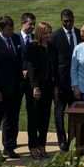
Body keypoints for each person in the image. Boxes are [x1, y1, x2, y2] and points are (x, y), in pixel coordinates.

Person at [0, 15, 23, 161]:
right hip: (0, 90)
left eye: (12, 28)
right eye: (9, 29)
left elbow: (18, 61)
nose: (12, 31)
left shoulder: (15, 39)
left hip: (15, 88)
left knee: (12, 119)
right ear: (0, 29)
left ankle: (9, 146)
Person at [26, 21, 57, 159]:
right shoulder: (32, 47)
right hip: (35, 88)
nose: (48, 35)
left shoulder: (51, 47)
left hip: (48, 87)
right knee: (34, 118)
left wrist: (55, 86)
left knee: (45, 118)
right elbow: (31, 69)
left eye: (49, 32)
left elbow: (54, 68)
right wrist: (35, 87)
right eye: (45, 33)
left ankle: (42, 146)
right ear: (39, 33)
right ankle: (33, 147)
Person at [52, 8, 81, 152]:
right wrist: (56, 84)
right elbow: (53, 62)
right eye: (66, 21)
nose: (69, 23)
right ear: (61, 20)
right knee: (59, 111)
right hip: (61, 82)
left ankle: (75, 140)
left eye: (71, 20)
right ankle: (62, 140)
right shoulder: (55, 36)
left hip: (77, 82)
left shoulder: (79, 33)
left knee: (78, 112)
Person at [17, 12, 36, 150]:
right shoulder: (15, 39)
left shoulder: (35, 39)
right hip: (17, 81)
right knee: (13, 113)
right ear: (22, 24)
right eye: (30, 23)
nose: (33, 26)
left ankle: (32, 142)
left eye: (34, 23)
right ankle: (10, 144)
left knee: (32, 112)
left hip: (32, 82)